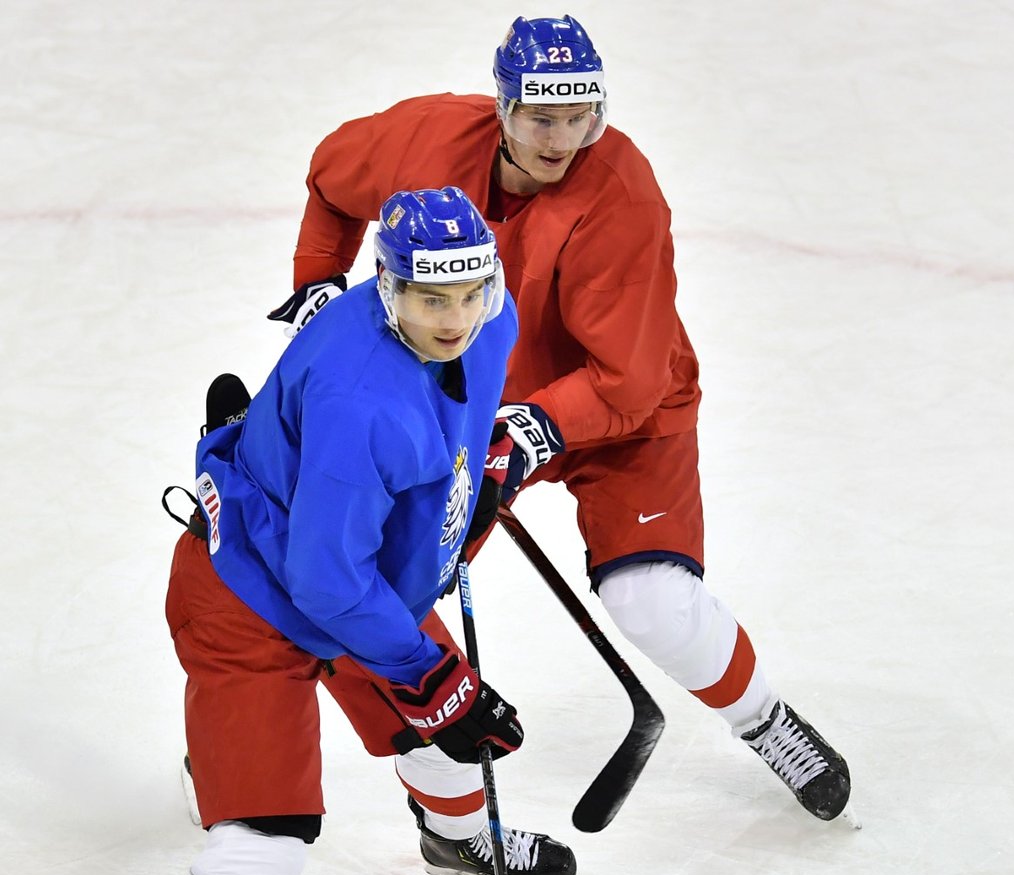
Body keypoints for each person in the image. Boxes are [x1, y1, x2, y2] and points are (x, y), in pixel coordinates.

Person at [73, 186, 577, 875]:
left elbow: (443, 434)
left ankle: (454, 836)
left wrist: (483, 475)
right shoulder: (361, 397)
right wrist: (432, 675)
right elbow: (325, 582)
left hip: (349, 574)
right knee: (262, 847)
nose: (452, 316)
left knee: (451, 733)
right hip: (257, 602)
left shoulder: (489, 315)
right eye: (426, 296)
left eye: (469, 291)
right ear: (381, 285)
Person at [275, 14, 851, 824]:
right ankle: (432, 818)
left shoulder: (622, 198)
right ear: (502, 106)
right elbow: (332, 184)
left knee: (654, 602)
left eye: (581, 116)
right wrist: (316, 285)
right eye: (542, 117)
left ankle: (764, 720)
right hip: (467, 403)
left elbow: (629, 379)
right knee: (357, 587)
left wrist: (528, 427)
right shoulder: (426, 142)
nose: (562, 138)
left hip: (620, 405)